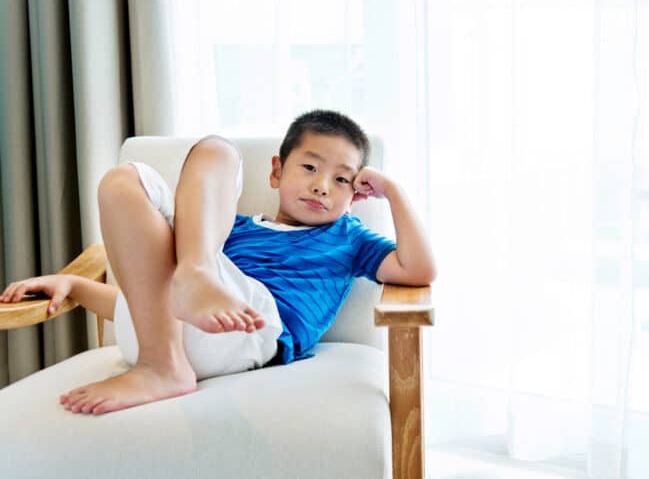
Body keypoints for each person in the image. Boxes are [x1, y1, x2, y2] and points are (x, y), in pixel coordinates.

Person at [0, 110, 435, 415]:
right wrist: (72, 285)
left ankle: (185, 306)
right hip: (166, 329)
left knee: (217, 155)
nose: (323, 186)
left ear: (356, 193)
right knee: (123, 181)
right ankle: (178, 319)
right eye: (309, 167)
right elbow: (145, 291)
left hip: (249, 326)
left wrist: (393, 192)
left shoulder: (347, 239)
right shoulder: (226, 228)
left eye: (342, 179)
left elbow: (419, 269)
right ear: (276, 172)